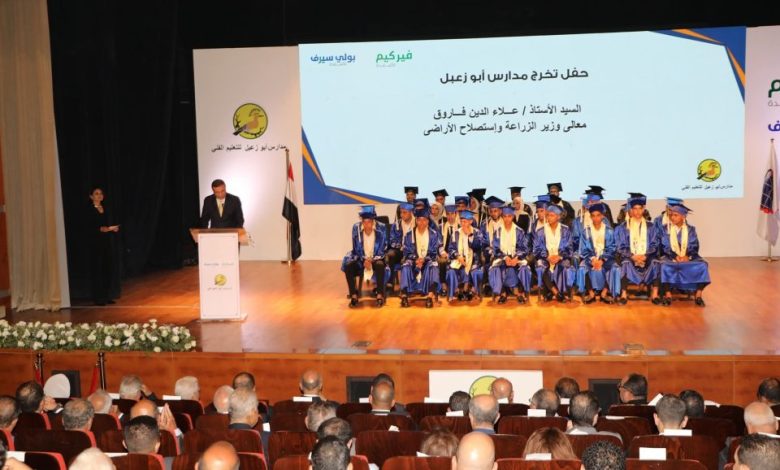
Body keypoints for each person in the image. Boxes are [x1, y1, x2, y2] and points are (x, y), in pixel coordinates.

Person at [657, 203, 710, 306]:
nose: (672, 217)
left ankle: (698, 295)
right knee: (664, 265)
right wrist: (674, 256)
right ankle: (668, 294)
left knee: (703, 265)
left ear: (683, 216)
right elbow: (664, 246)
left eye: (676, 215)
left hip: (687, 257)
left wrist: (688, 256)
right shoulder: (665, 229)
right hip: (670, 257)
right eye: (671, 215)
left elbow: (694, 246)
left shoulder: (691, 230)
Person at [615, 194, 661, 304]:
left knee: (655, 262)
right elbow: (620, 246)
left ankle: (655, 294)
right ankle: (623, 294)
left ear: (644, 209)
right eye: (634, 209)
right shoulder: (623, 227)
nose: (637, 212)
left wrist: (645, 255)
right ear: (630, 210)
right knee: (625, 263)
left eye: (640, 208)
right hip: (630, 257)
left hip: (647, 256)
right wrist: (633, 256)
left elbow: (654, 244)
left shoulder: (651, 227)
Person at [343, 206, 387, 307]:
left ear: (373, 221)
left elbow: (382, 248)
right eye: (364, 222)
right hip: (361, 260)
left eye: (369, 222)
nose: (367, 224)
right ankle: (354, 295)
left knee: (380, 265)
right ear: (362, 222)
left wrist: (371, 260)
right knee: (348, 266)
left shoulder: (380, 229)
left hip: (376, 259)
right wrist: (364, 260)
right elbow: (355, 249)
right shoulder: (356, 230)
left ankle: (380, 295)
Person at [577, 202, 620, 304]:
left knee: (615, 268)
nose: (596, 218)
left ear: (602, 216)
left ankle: (604, 293)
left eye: (598, 215)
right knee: (582, 268)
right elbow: (583, 249)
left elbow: (612, 248)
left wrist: (602, 259)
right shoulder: (586, 232)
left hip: (606, 258)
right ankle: (591, 293)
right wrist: (593, 259)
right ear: (590, 217)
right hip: (590, 258)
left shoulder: (609, 231)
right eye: (593, 216)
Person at [533, 204, 575, 302]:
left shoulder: (565, 230)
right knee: (540, 267)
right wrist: (547, 257)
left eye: (552, 215)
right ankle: (556, 293)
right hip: (545, 258)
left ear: (558, 217)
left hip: (560, 258)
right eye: (547, 215)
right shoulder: (540, 231)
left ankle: (551, 293)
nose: (549, 217)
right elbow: (536, 249)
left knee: (565, 266)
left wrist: (559, 257)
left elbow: (569, 248)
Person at [489, 207, 531, 304]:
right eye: (505, 216)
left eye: (509, 216)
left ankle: (519, 293)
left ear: (513, 217)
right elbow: (495, 249)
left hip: (516, 258)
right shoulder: (498, 231)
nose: (507, 219)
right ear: (502, 217)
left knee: (524, 268)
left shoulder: (519, 231)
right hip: (502, 257)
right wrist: (505, 257)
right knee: (495, 268)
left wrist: (516, 258)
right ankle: (503, 293)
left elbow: (524, 248)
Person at [400, 208, 440, 308]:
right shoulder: (409, 234)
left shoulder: (434, 234)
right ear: (416, 221)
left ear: (428, 221)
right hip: (414, 261)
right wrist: (416, 259)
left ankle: (430, 296)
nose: (422, 222)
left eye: (424, 220)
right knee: (405, 266)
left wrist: (424, 259)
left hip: (428, 260)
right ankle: (404, 296)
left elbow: (434, 252)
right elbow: (406, 251)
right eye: (419, 220)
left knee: (434, 266)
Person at [88, 187, 120, 305]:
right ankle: (98, 298)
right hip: (95, 243)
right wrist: (100, 229)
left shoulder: (105, 208)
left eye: (101, 193)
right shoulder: (89, 210)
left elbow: (105, 225)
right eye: (96, 194)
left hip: (105, 242)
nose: (99, 195)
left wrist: (111, 229)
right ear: (91, 196)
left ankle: (106, 296)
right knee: (98, 270)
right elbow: (88, 226)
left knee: (107, 268)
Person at [445, 210, 485, 301]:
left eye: (465, 221)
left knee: (474, 271)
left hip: (474, 262)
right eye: (461, 221)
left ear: (471, 221)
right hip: (458, 261)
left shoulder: (477, 233)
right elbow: (451, 249)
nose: (463, 224)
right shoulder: (456, 233)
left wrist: (470, 236)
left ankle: (470, 290)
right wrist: (458, 256)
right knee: (451, 271)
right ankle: (456, 292)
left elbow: (478, 247)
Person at [439, 204, 461, 296]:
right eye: (448, 214)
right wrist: (442, 252)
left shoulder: (460, 227)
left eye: (452, 214)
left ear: (456, 214)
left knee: (457, 262)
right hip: (444, 253)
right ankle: (444, 285)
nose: (450, 216)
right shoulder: (441, 227)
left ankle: (456, 287)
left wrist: (456, 254)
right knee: (442, 261)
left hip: (456, 253)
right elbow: (438, 242)